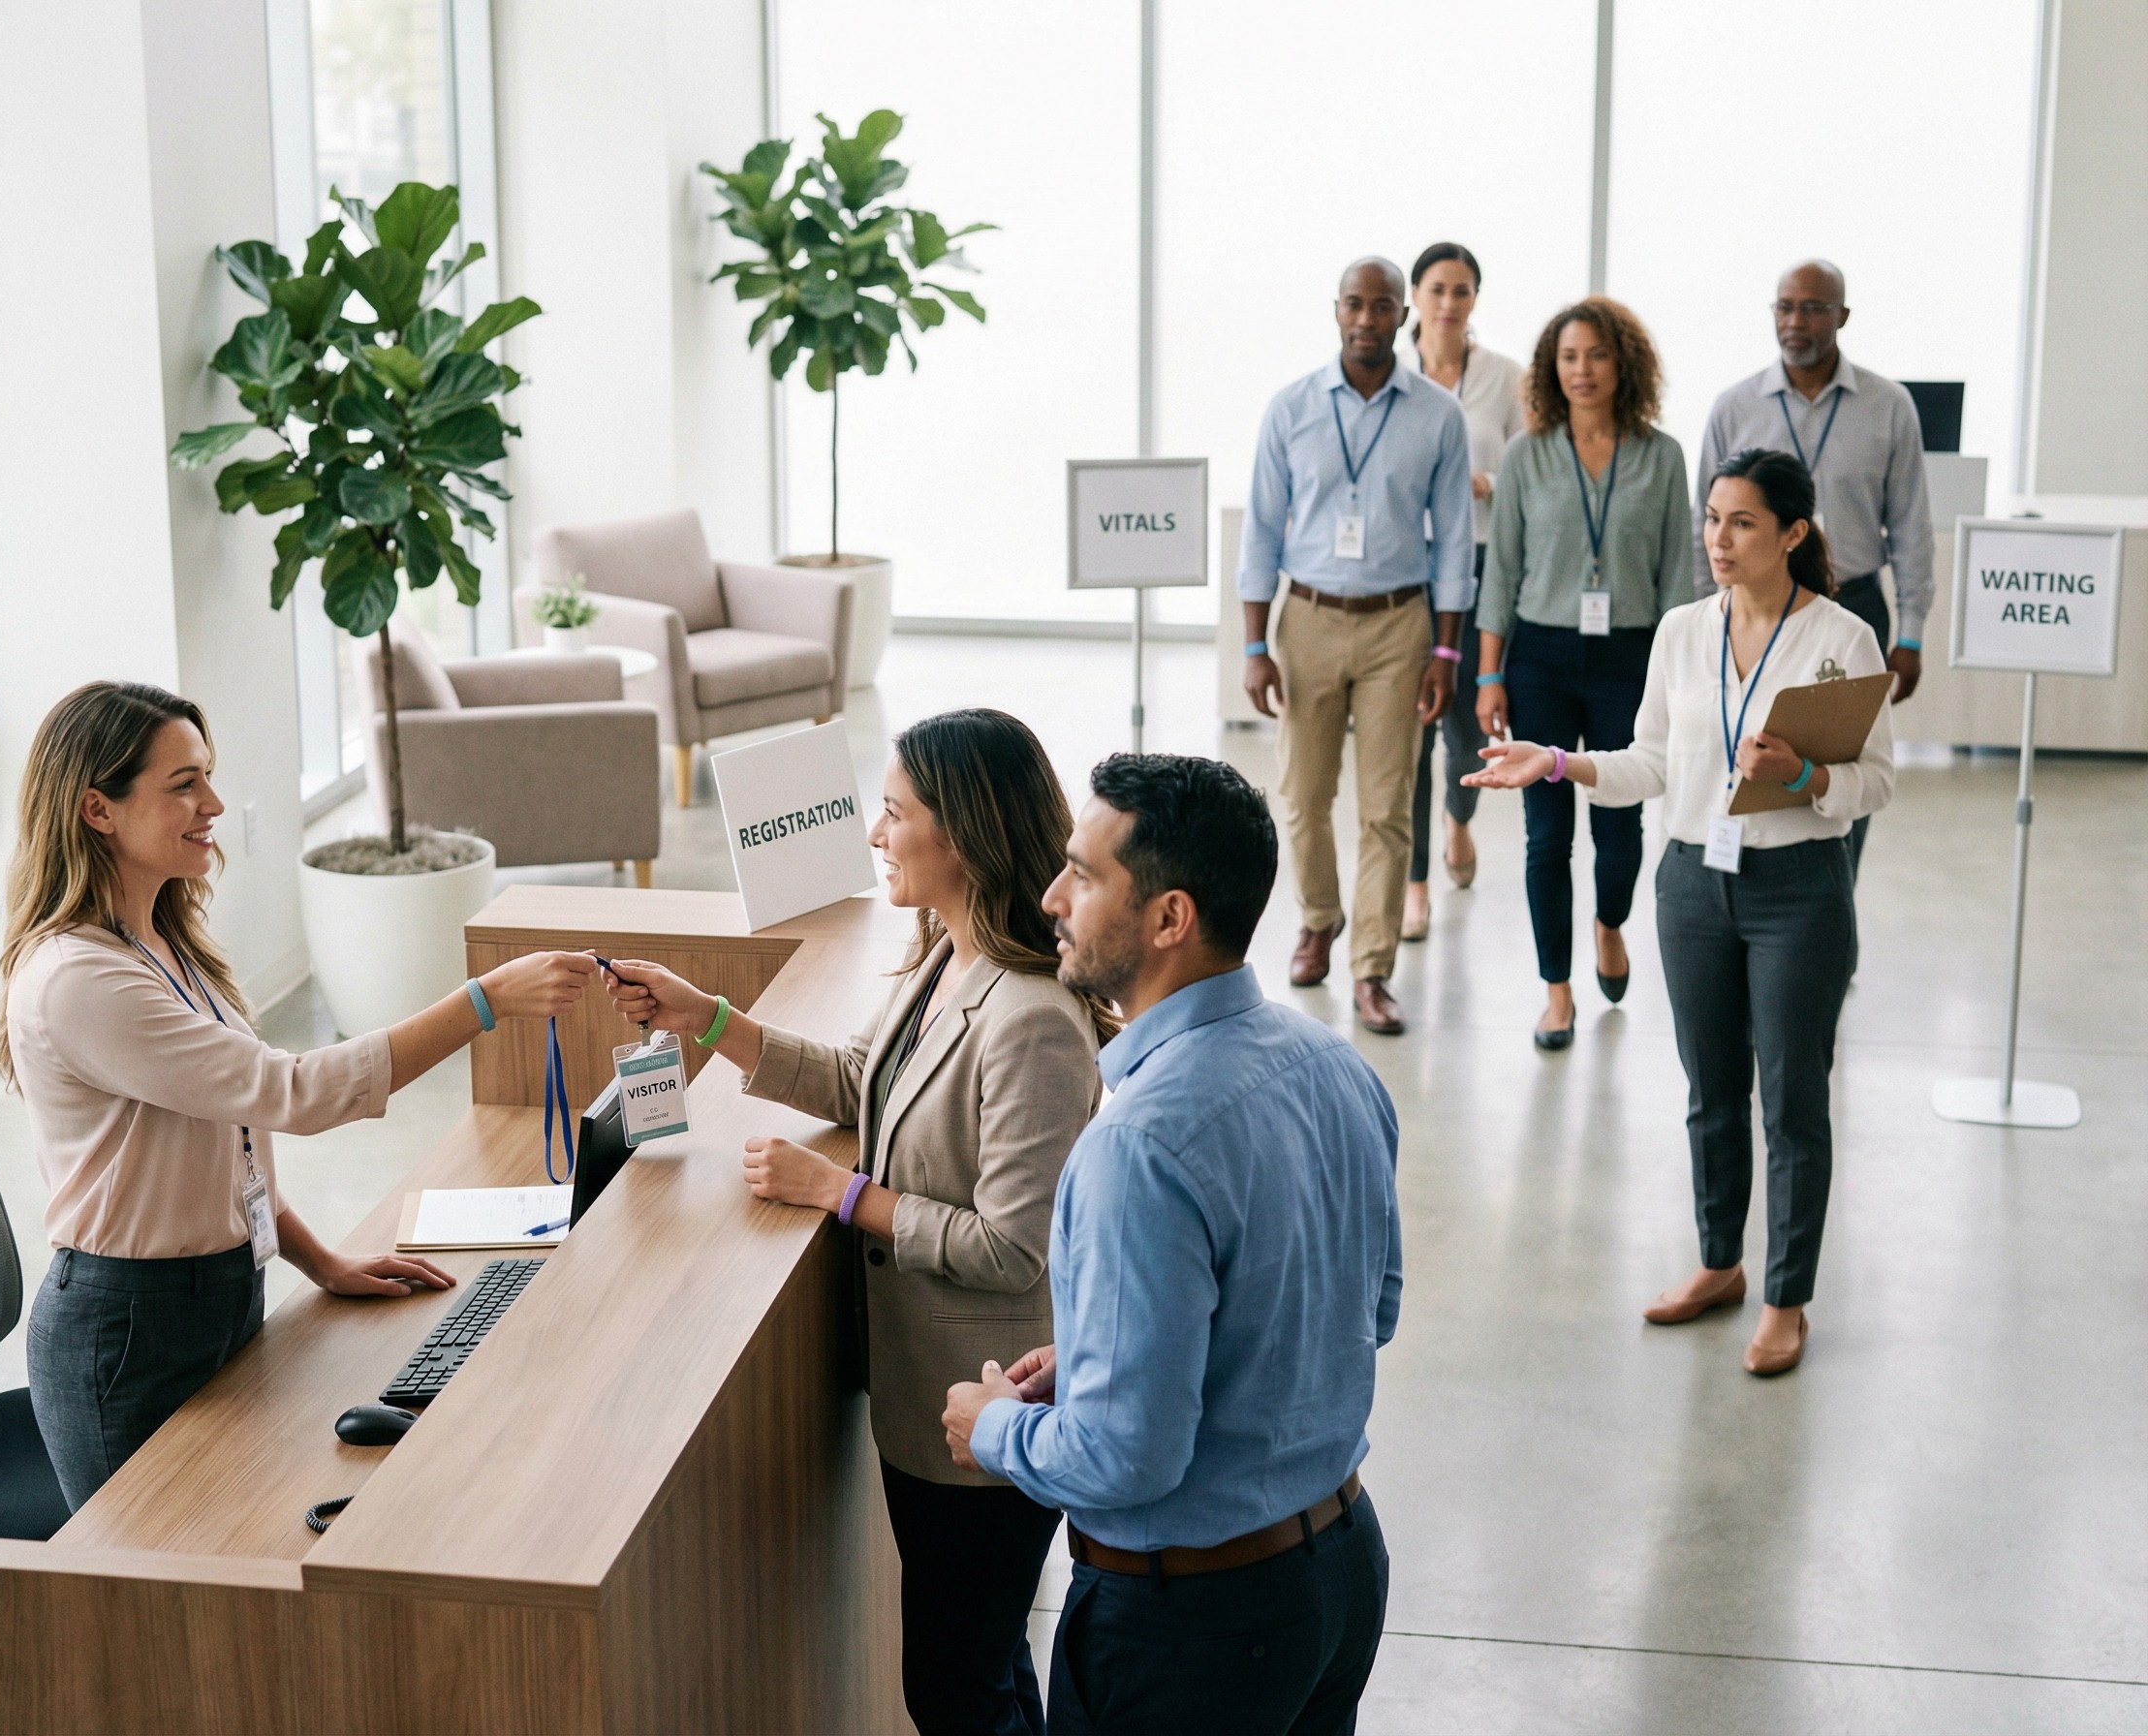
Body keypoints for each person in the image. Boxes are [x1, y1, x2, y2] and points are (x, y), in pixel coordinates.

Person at [601, 709, 1109, 1736]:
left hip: (985, 1413)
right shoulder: (946, 958)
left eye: (893, 812)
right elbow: (853, 1078)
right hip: (926, 1402)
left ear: (960, 835)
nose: (875, 834)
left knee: (955, 1689)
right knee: (989, 1659)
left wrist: (837, 1192)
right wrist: (707, 1015)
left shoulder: (1034, 1019)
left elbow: (1011, 1247)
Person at [0, 682, 596, 1510]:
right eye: (183, 785)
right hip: (128, 1331)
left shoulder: (163, 940)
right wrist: (482, 1002)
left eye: (207, 776)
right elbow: (292, 1094)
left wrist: (321, 1261)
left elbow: (229, 1142)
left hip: (219, 1291)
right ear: (98, 809)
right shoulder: (79, 981)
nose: (213, 803)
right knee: (160, 1592)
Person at [943, 754, 1402, 1735]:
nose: (1052, 896)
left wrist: (990, 1428)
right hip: (1341, 1574)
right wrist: (1120, 1348)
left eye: (1084, 874)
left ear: (1169, 918)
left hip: (1194, 1627)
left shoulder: (1137, 1144)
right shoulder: (1335, 1064)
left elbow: (1124, 1460)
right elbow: (1367, 1306)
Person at [1466, 450, 1892, 1376]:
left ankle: (1786, 1297)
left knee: (1790, 1101)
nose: (1719, 540)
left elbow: (1876, 783)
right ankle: (1718, 1264)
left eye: (1742, 523)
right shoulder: (1681, 632)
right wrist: (1557, 763)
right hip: (1693, 882)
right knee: (1710, 1094)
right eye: (1712, 520)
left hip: (1799, 893)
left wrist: (1806, 775)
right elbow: (1648, 763)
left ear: (1793, 533)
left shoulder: (1842, 640)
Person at [1238, 255, 1476, 1035]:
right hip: (1305, 619)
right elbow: (1262, 531)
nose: (1367, 319)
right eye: (1354, 304)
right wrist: (1253, 646)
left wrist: (1445, 654)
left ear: (1403, 314)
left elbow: (1453, 544)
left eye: (1382, 307)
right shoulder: (1293, 408)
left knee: (1388, 804)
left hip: (1397, 626)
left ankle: (1372, 967)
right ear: (1335, 310)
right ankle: (1318, 919)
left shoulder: (1438, 416)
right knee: (1302, 795)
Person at [1478, 296, 1697, 1048]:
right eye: (1568, 357)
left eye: (1596, 355)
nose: (1582, 370)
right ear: (1551, 368)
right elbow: (1501, 571)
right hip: (1539, 655)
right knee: (1546, 837)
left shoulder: (1662, 456)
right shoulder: (1528, 453)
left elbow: (1679, 576)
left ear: (1623, 364)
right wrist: (1487, 675)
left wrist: (1679, 678)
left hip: (1631, 657)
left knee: (1620, 822)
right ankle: (1557, 989)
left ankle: (1610, 922)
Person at [1695, 259, 1934, 872]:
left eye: (1812, 308)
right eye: (1784, 306)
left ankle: (1829, 918)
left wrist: (1909, 634)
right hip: (1753, 605)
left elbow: (1910, 526)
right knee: (1753, 759)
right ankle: (1761, 903)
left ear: (1842, 317)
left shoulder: (1888, 406)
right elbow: (1708, 523)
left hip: (1852, 603)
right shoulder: (1735, 406)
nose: (1795, 321)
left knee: (1840, 774)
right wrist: (1704, 618)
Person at [1399, 241, 1525, 941]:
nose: (1450, 304)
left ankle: (1459, 819)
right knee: (1415, 727)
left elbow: (1534, 474)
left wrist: (1489, 484)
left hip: (1480, 564)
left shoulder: (1506, 378)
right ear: (1416, 295)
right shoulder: (1392, 376)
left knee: (1469, 726)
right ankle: (1416, 882)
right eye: (1438, 289)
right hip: (1408, 573)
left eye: (1463, 291)